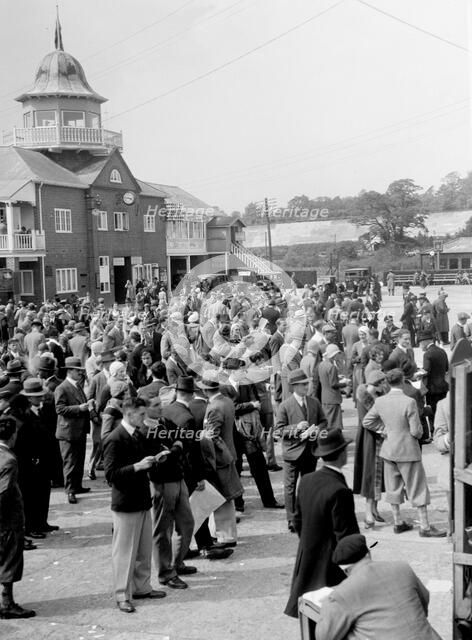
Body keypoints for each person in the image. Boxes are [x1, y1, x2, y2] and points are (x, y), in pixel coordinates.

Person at [284, 429, 359, 618]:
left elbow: (297, 519)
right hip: (330, 567)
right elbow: (346, 537)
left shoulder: (307, 480)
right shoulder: (340, 490)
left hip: (307, 558)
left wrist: (310, 541)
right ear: (342, 454)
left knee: (309, 614)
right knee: (332, 618)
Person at [363, 368, 446, 537]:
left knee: (394, 488)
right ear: (402, 381)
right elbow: (416, 431)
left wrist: (383, 430)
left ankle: (398, 522)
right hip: (408, 449)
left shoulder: (380, 402)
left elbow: (367, 421)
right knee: (417, 487)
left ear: (388, 382)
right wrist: (420, 434)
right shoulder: (409, 401)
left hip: (389, 449)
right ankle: (425, 526)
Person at [103, 396, 166, 612]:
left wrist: (155, 458)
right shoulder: (115, 438)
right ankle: (122, 594)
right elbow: (111, 475)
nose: (144, 417)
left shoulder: (137, 434)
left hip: (140, 500)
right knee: (124, 552)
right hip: (125, 503)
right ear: (129, 414)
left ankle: (142, 587)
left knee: (142, 548)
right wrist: (137, 467)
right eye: (141, 414)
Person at [315, 533, 442, 640]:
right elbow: (424, 600)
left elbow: (324, 636)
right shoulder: (402, 567)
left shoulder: (342, 594)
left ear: (345, 570)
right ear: (368, 554)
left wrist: (328, 603)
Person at [276, 368, 327, 533]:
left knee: (308, 486)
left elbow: (323, 421)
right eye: (304, 384)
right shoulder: (285, 406)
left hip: (310, 452)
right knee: (290, 487)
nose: (307, 386)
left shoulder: (314, 402)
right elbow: (279, 430)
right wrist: (296, 428)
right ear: (294, 386)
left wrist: (316, 430)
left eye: (307, 383)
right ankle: (292, 519)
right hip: (292, 452)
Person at [0, 416, 36, 619]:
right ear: (13, 435)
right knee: (10, 561)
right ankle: (7, 603)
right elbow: (3, 493)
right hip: (7, 520)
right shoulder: (9, 460)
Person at [55, 357, 94, 504]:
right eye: (78, 371)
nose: (80, 373)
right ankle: (70, 490)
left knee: (78, 460)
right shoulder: (62, 388)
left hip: (78, 430)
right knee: (70, 462)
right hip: (68, 431)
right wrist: (79, 408)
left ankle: (77, 486)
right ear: (69, 371)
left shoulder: (77, 385)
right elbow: (59, 409)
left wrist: (87, 405)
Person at [353, 369, 387, 529]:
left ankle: (374, 509)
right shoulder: (363, 399)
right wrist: (383, 428)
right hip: (369, 440)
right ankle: (368, 513)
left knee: (378, 474)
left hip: (377, 439)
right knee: (370, 474)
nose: (385, 385)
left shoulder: (378, 396)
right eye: (383, 383)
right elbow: (366, 421)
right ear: (377, 384)